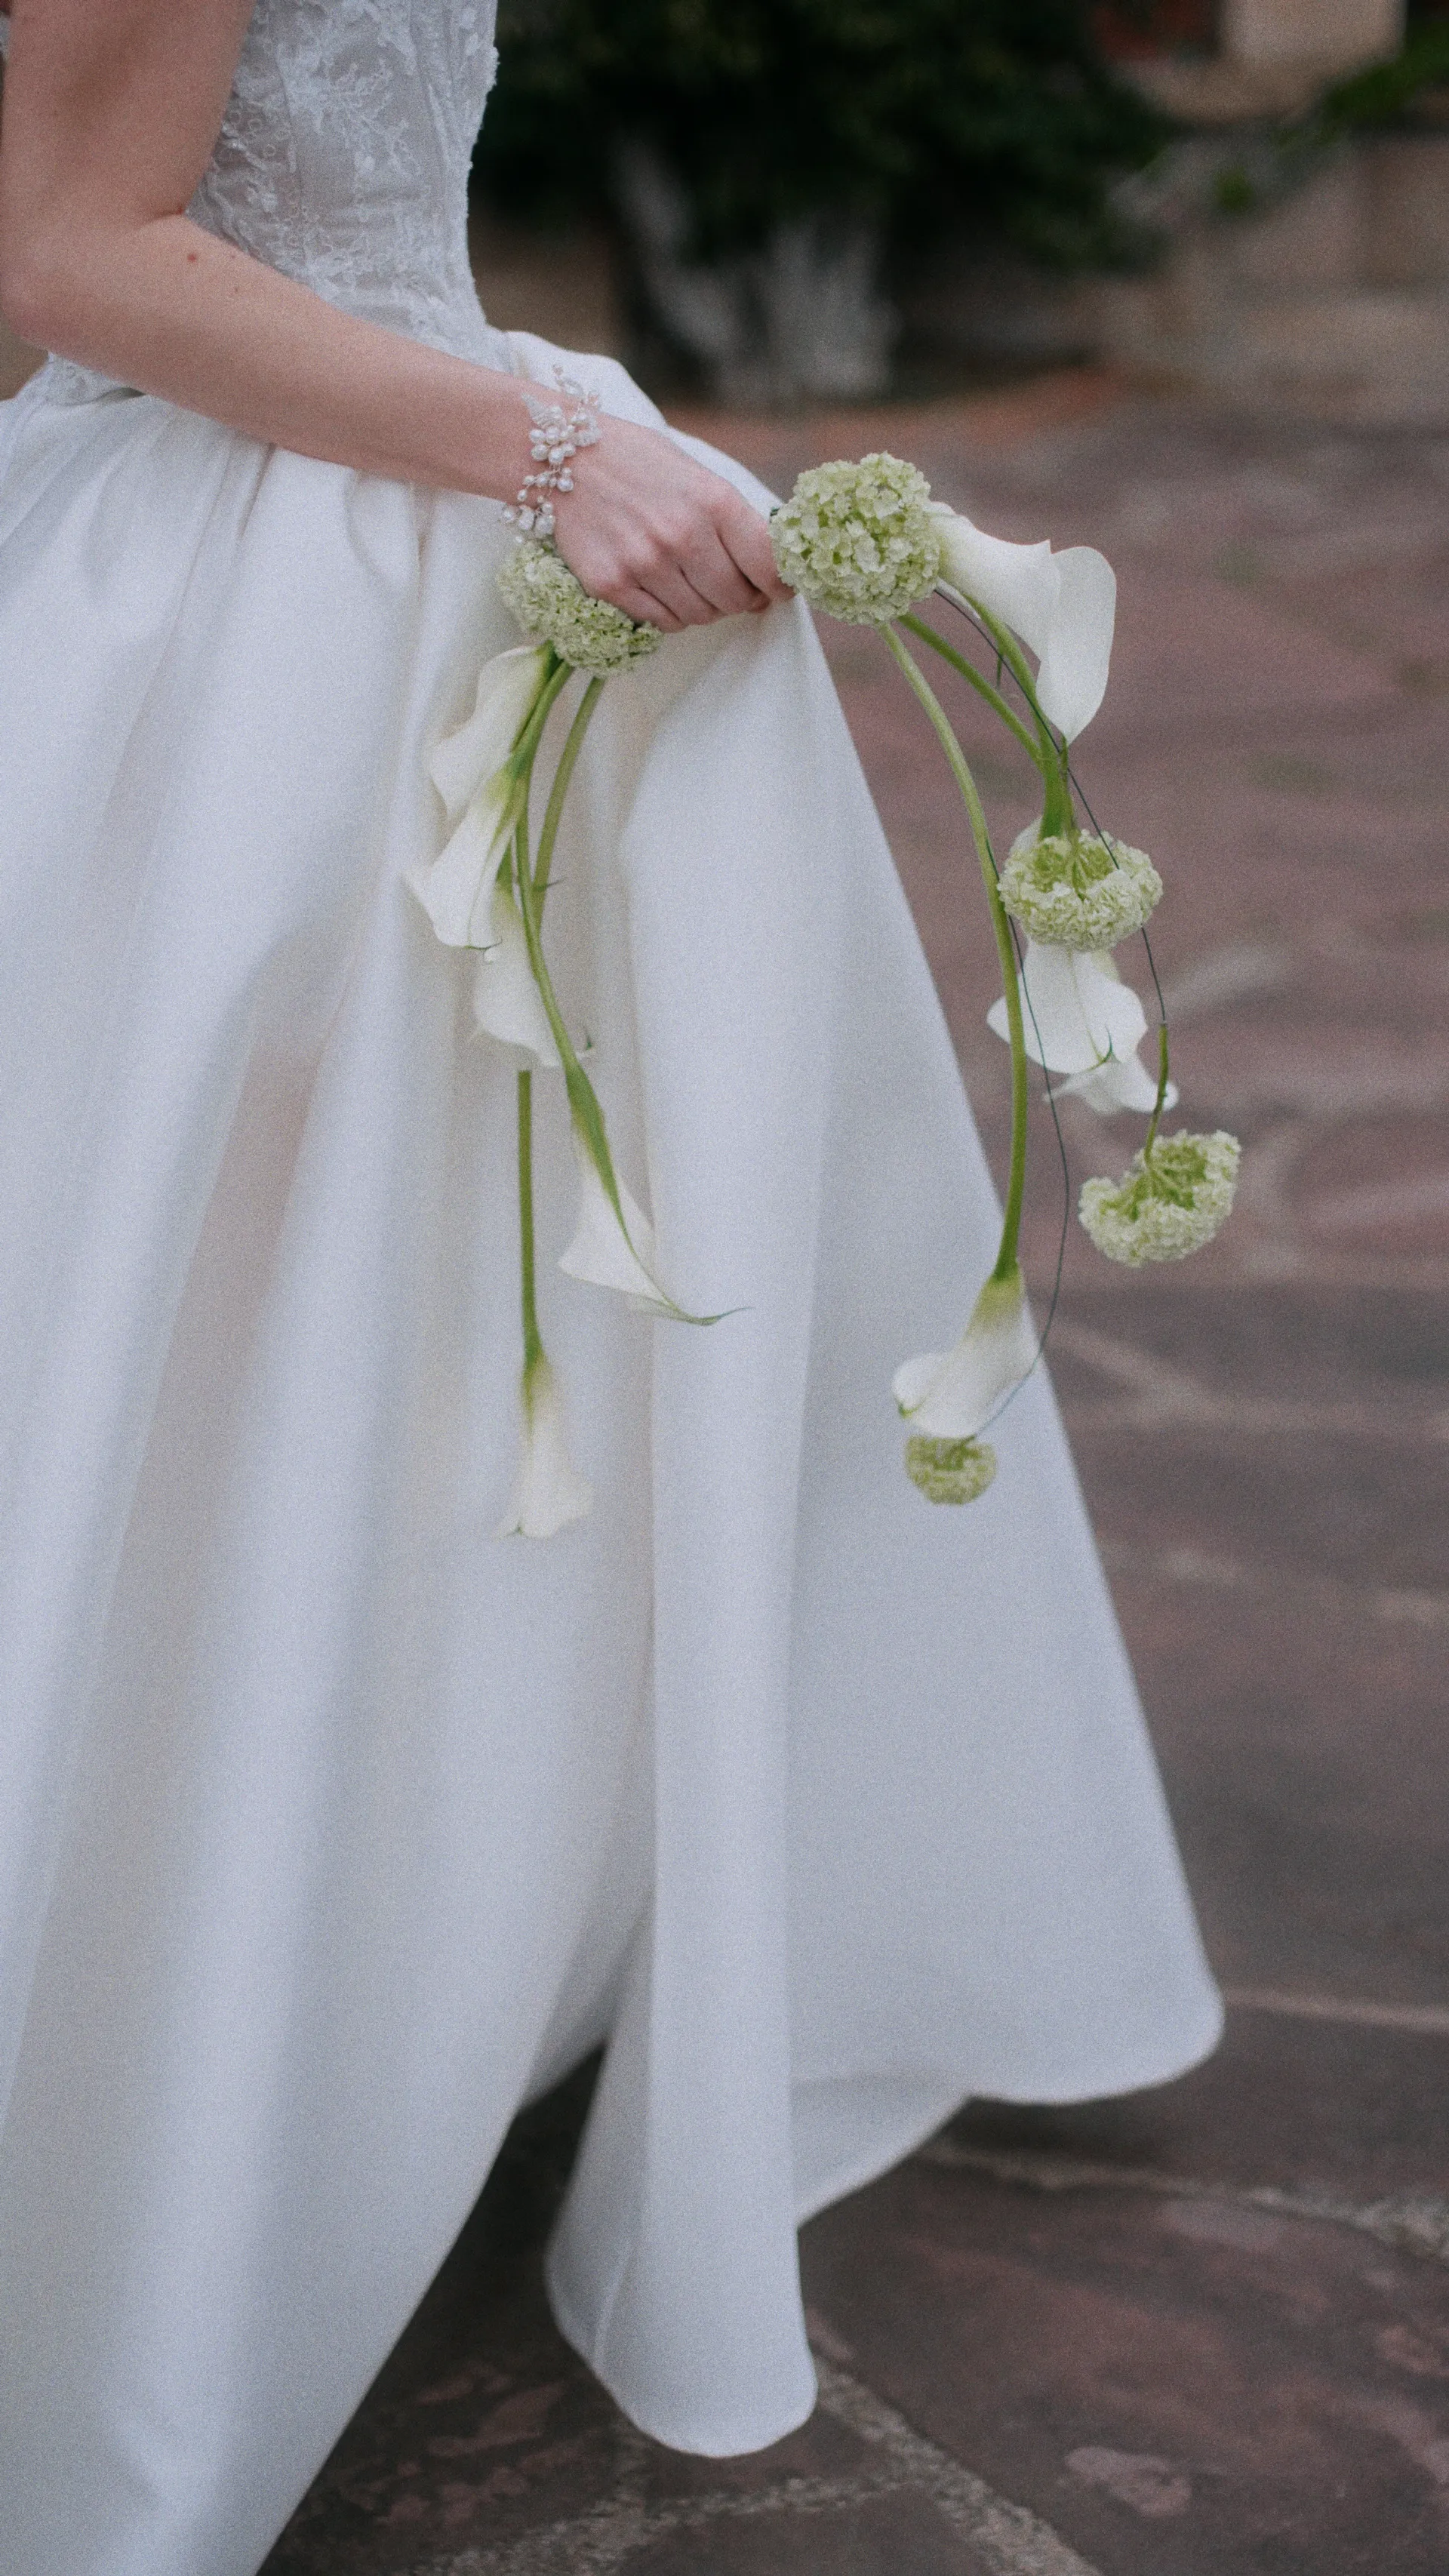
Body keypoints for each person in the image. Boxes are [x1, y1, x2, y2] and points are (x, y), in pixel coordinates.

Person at [0, 5, 1222, 2571]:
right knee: (233, 1337)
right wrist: (555, 450)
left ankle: (414, 1956)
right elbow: (73, 241)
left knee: (469, 1335)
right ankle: (175, 2051)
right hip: (281, 585)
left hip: (392, 517)